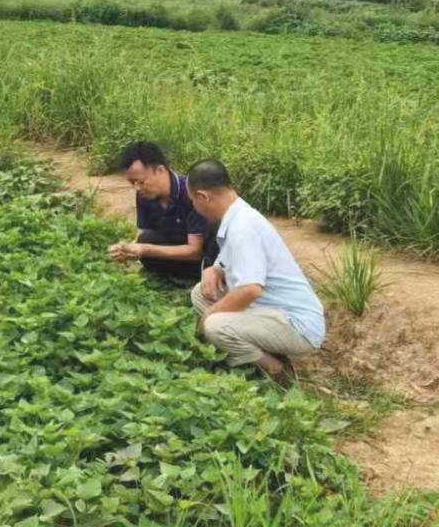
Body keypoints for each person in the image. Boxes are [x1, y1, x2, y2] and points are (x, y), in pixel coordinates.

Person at [185, 158, 324, 386]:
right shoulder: (239, 216)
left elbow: (250, 290)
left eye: (192, 200)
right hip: (272, 310)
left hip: (296, 324)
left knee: (215, 326)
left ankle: (277, 371)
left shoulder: (242, 228)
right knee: (202, 293)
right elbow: (232, 259)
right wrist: (215, 268)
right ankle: (259, 349)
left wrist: (210, 315)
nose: (194, 206)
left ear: (203, 197)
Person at [107, 141, 217, 283]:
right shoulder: (144, 195)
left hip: (202, 259)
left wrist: (144, 249)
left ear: (160, 170)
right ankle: (175, 277)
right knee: (146, 239)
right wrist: (127, 249)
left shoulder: (189, 193)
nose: (137, 188)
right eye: (132, 183)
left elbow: (195, 251)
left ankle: (190, 279)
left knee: (146, 246)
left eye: (140, 182)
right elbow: (142, 234)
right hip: (173, 251)